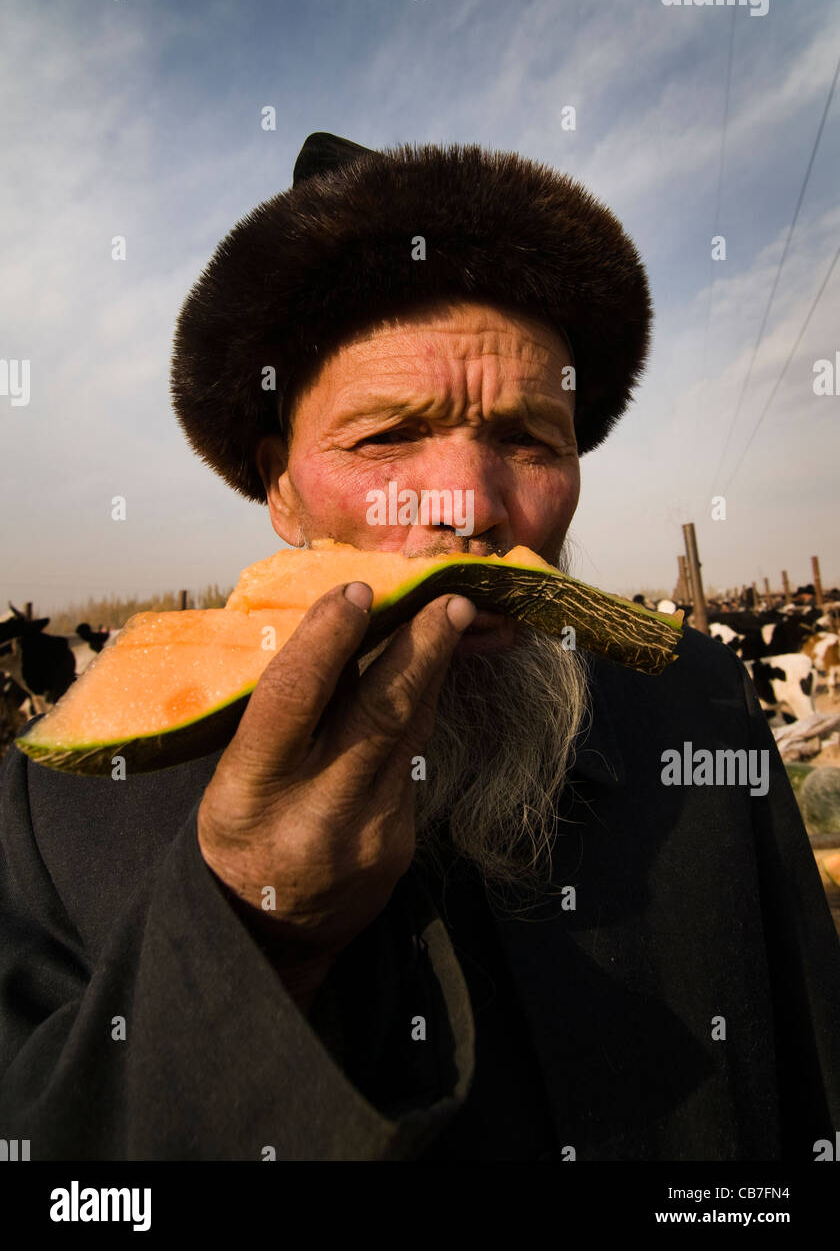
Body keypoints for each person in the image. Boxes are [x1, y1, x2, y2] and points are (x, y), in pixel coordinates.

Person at [1, 133, 838, 1162]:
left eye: (530, 440)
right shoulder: (62, 819)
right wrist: (252, 929)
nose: (473, 509)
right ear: (280, 484)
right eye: (388, 436)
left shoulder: (700, 709)